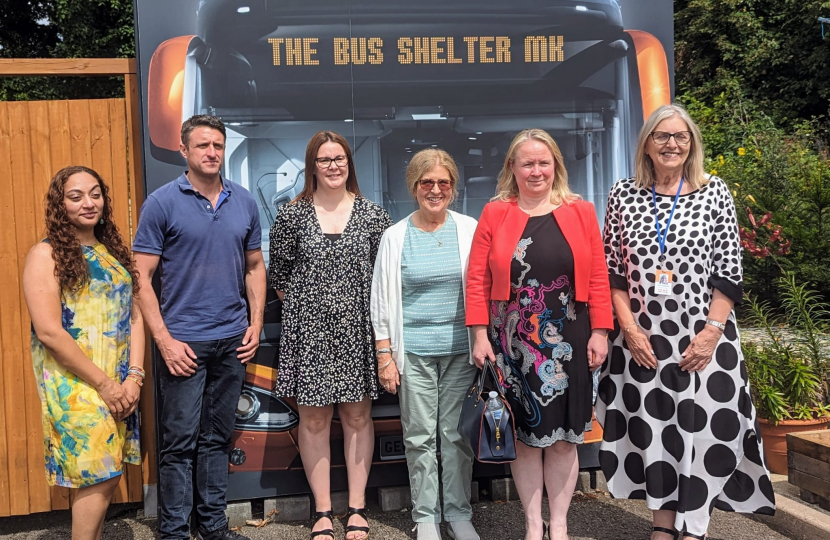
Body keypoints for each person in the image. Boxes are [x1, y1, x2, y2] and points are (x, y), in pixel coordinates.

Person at [596, 104, 775, 540]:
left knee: (702, 429)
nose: (671, 144)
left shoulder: (715, 192)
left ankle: (694, 525)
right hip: (644, 341)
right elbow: (612, 272)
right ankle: (662, 524)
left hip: (703, 336)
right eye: (661, 136)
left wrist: (711, 334)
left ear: (691, 143)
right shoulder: (623, 194)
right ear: (647, 145)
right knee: (654, 430)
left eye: (679, 136)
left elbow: (729, 272)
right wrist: (630, 330)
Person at [466, 129, 613, 540]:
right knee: (526, 438)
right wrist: (479, 335)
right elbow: (476, 279)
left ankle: (560, 525)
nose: (536, 171)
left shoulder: (580, 210)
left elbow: (599, 276)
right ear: (512, 168)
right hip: (511, 343)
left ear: (556, 167)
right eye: (527, 163)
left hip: (571, 338)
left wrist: (601, 330)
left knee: (566, 438)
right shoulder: (495, 212)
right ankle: (533, 524)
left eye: (543, 163)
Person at [133, 115, 266, 540]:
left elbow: (254, 266)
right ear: (184, 150)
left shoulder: (243, 201)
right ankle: (173, 532)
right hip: (183, 343)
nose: (212, 152)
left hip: (231, 341)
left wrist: (255, 322)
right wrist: (165, 342)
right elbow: (141, 278)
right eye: (203, 145)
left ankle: (212, 528)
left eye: (218, 145)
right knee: (179, 444)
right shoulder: (162, 202)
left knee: (216, 439)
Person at [269, 131, 392, 540]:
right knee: (315, 419)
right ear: (312, 166)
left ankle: (356, 507)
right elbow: (280, 279)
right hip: (310, 333)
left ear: (349, 164)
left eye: (339, 158)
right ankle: (322, 511)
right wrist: (316, 309)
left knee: (358, 416)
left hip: (360, 330)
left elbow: (385, 279)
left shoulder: (374, 217)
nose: (334, 166)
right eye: (324, 160)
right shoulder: (291, 216)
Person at [23, 166, 144, 540]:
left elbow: (134, 316)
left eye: (95, 193)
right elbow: (49, 332)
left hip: (121, 381)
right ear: (60, 205)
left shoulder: (111, 252)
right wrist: (106, 385)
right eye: (76, 196)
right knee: (99, 472)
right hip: (76, 384)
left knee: (101, 476)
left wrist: (134, 377)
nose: (89, 203)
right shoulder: (45, 255)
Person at [371, 149, 480, 540]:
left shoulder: (469, 229)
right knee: (419, 436)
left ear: (453, 186)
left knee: (455, 435)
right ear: (414, 187)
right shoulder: (396, 236)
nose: (435, 190)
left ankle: (458, 513)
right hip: (413, 352)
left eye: (443, 183)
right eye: (427, 183)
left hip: (460, 352)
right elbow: (381, 300)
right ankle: (426, 517)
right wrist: (385, 354)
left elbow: (482, 290)